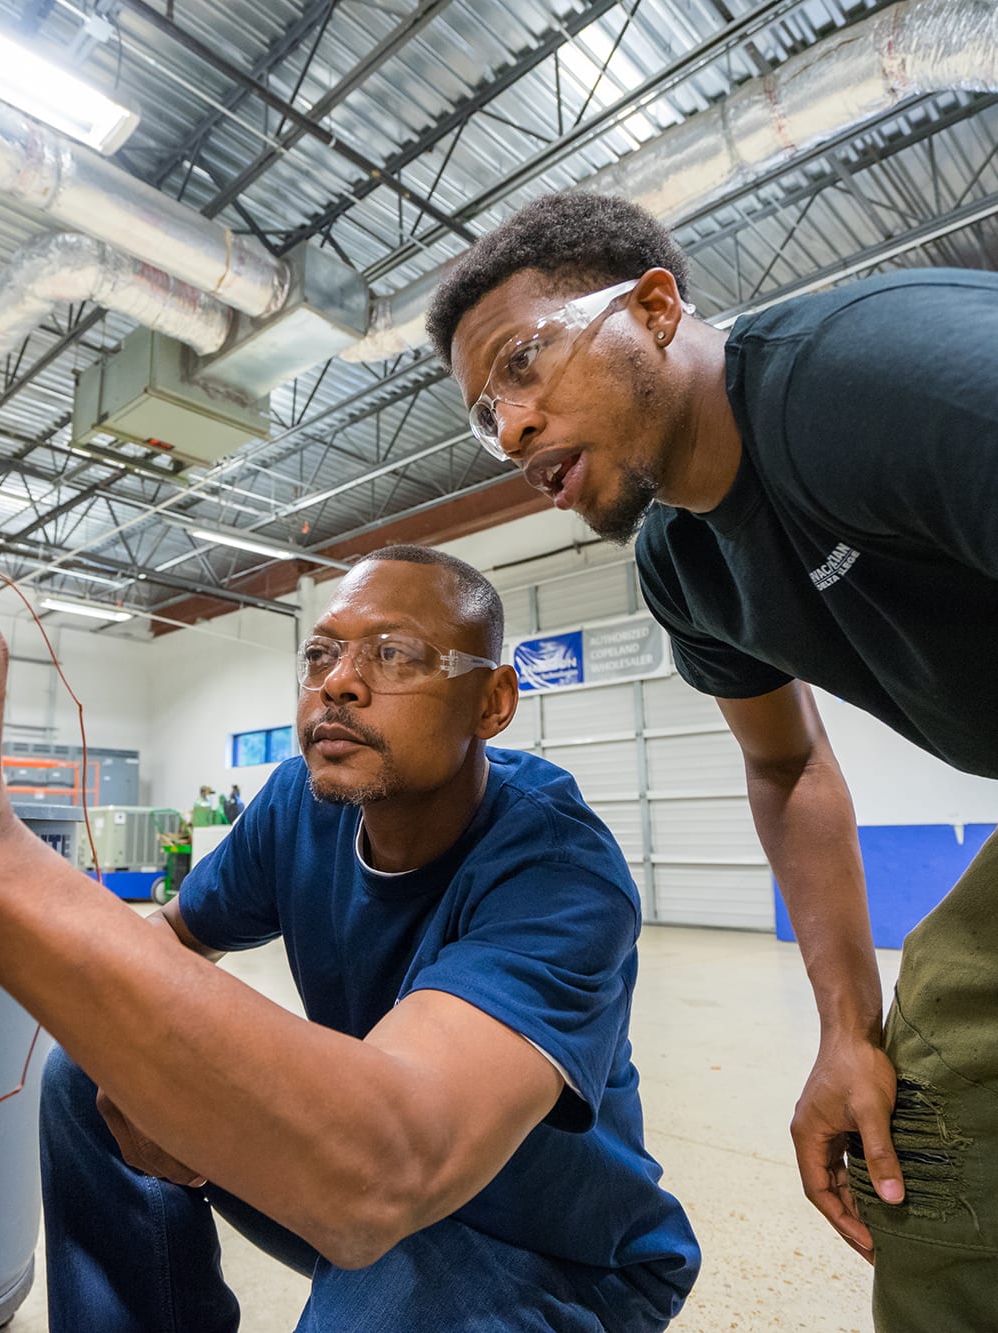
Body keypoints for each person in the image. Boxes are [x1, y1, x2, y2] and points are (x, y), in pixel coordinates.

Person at [0, 491, 699, 1332]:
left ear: (492, 701)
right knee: (88, 1077)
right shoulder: (300, 802)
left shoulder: (556, 866)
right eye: (321, 654)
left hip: (548, 1247)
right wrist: (146, 1083)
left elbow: (386, 1169)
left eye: (391, 654)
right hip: (366, 1189)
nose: (339, 683)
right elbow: (175, 941)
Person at [427, 189, 998, 1329]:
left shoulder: (862, 379)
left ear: (651, 307)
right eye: (488, 411)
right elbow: (785, 770)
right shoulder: (684, 571)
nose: (515, 426)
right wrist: (843, 1028)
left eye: (525, 364)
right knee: (931, 1123)